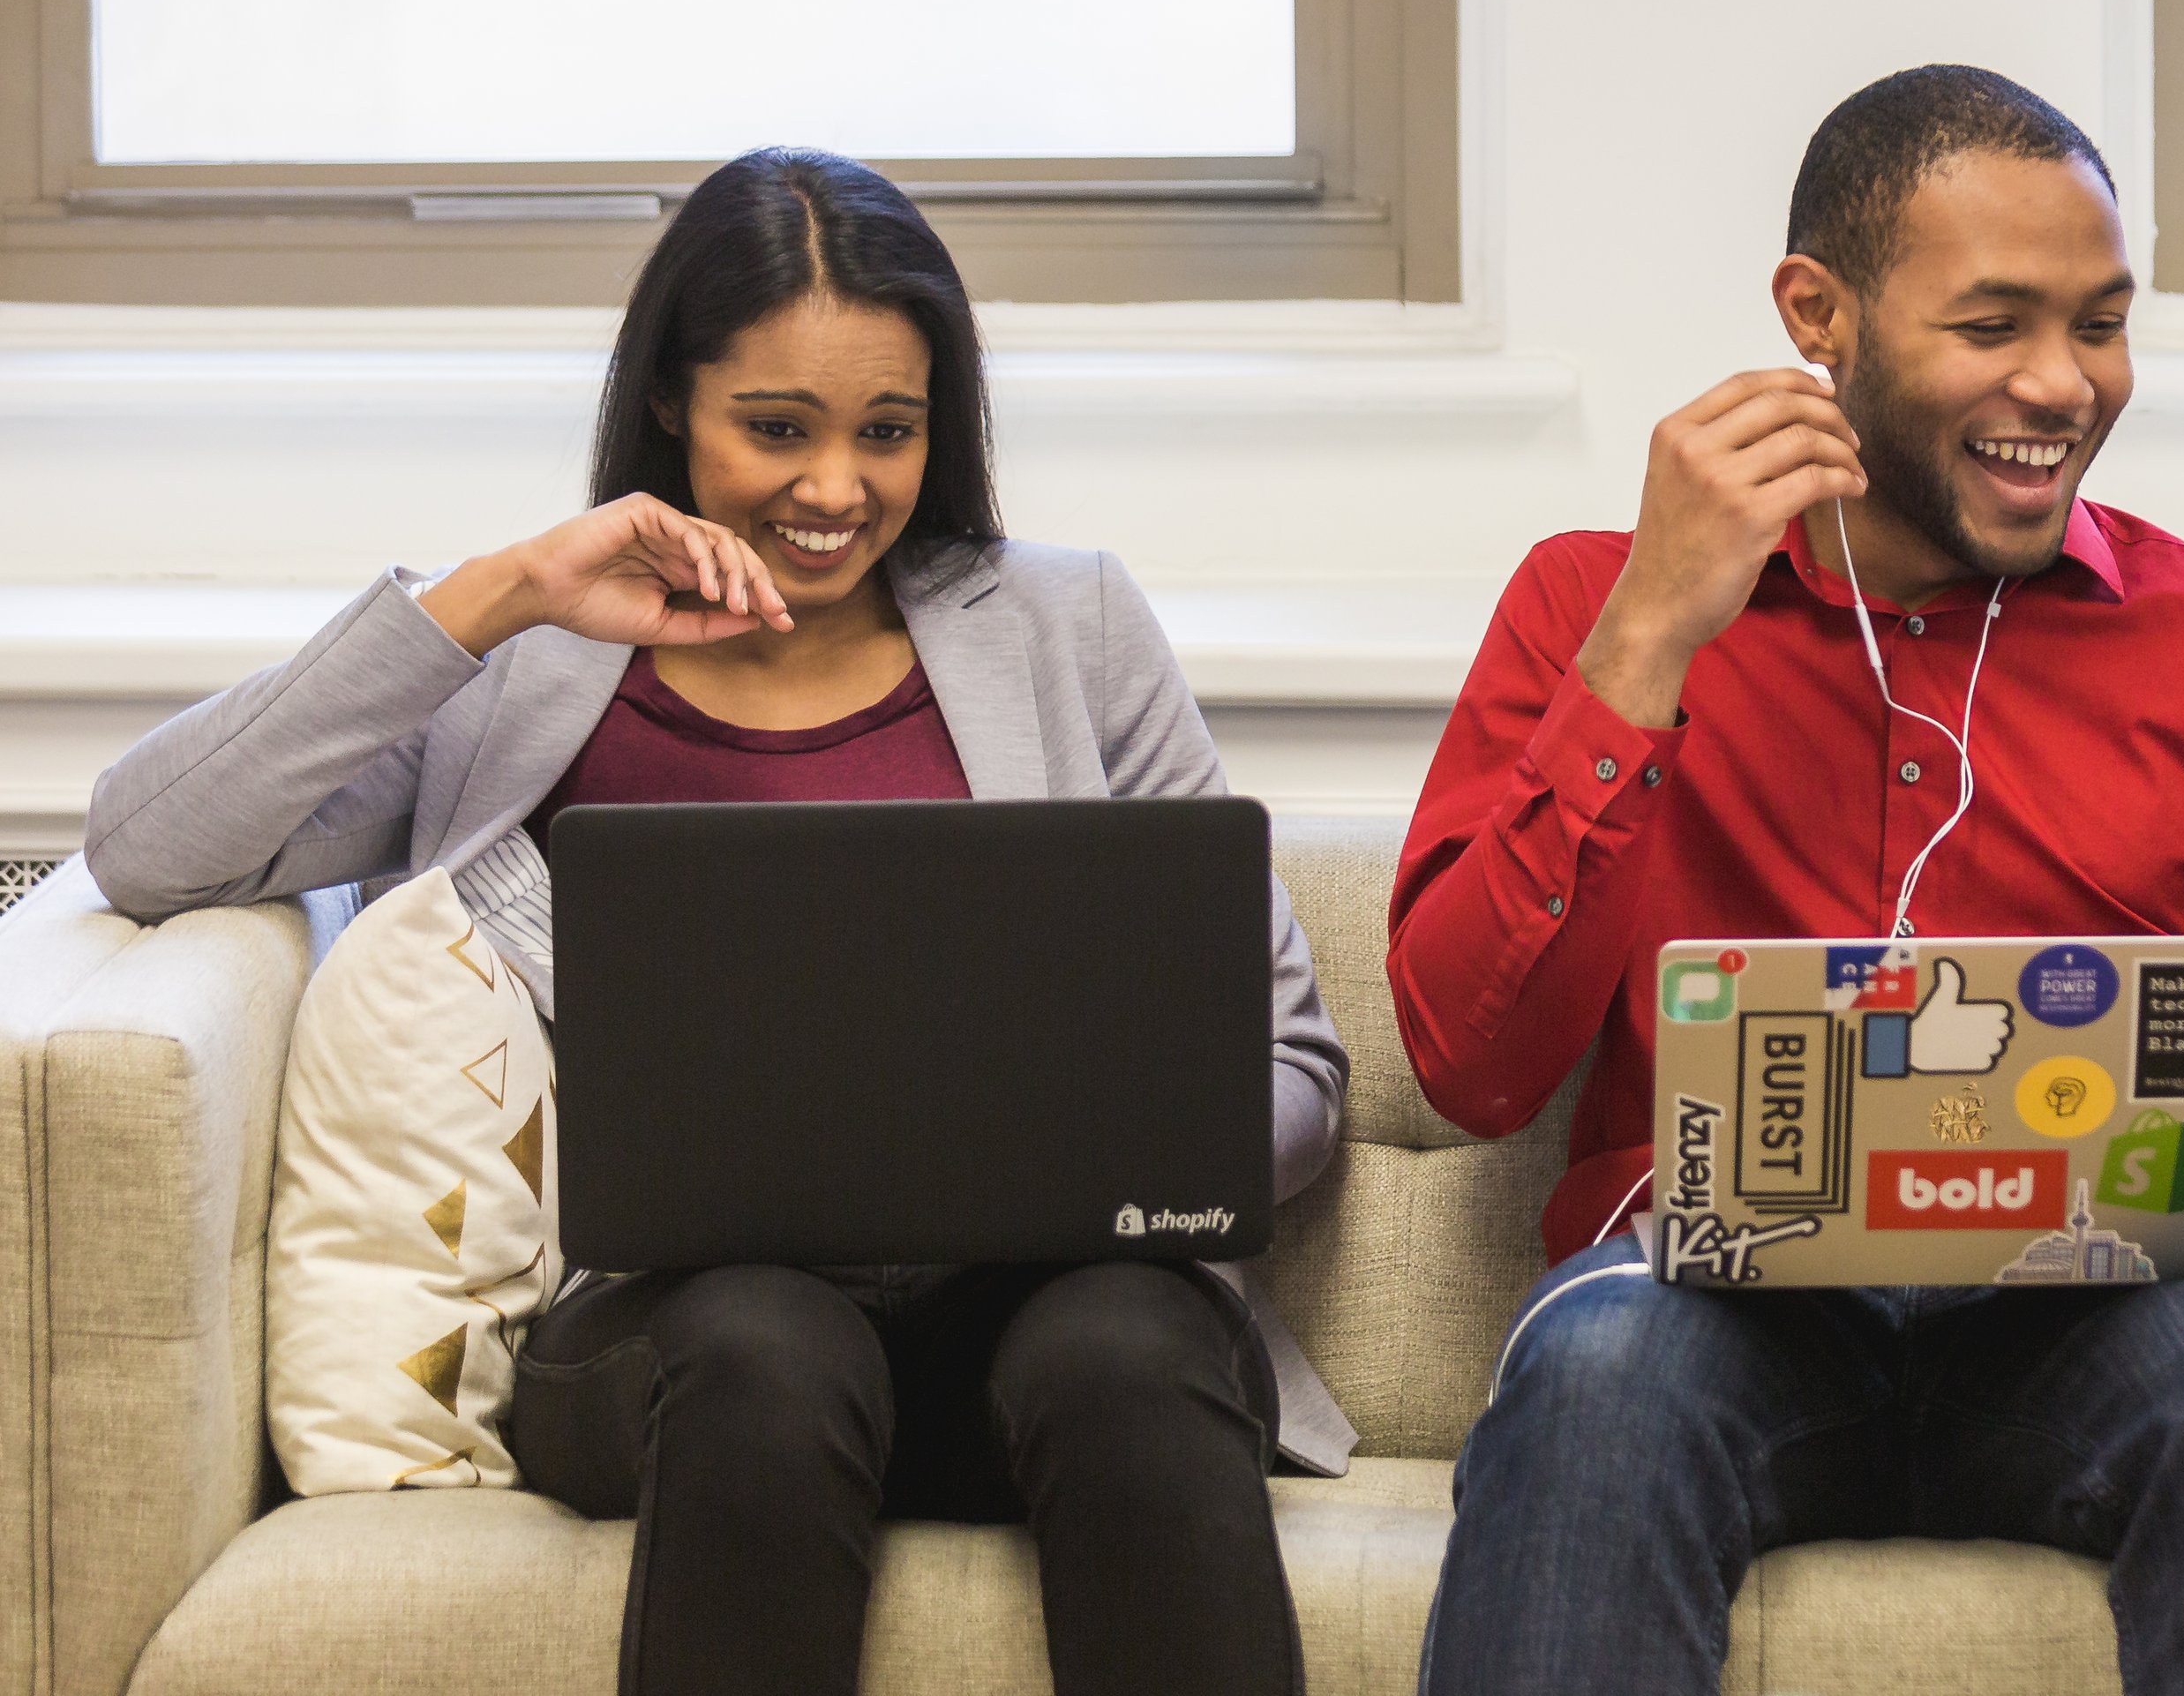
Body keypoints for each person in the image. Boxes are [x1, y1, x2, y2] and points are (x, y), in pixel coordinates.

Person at [82, 147, 1344, 1696]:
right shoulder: (523, 667)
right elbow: (148, 847)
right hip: (691, 1354)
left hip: (1042, 1326)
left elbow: (1288, 1060)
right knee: (767, 1338)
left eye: (889, 429)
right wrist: (497, 593)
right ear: (673, 401)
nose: (836, 488)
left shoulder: (1069, 626)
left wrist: (1121, 1171)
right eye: (776, 428)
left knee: (1130, 1347)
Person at [1393, 64, 2184, 1696]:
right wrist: (1653, 639)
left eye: (2099, 323)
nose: (2065, 383)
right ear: (1821, 314)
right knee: (1597, 1366)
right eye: (1993, 323)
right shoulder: (1590, 607)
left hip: (2108, 1316)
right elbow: (1470, 1063)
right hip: (1701, 1303)